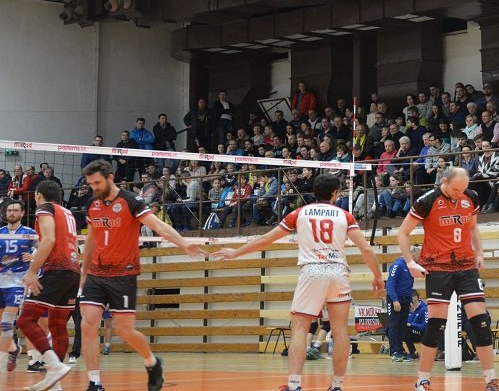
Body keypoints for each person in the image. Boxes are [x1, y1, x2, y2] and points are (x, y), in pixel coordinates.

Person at [212, 173, 384, 391]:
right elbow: (366, 248)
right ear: (335, 193)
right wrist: (378, 277)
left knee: (300, 329)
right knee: (340, 331)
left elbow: (266, 239)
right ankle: (337, 385)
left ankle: (294, 385)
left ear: (314, 192)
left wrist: (236, 253)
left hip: (312, 271)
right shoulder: (345, 216)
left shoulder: (299, 213)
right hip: (338, 271)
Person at [79, 159, 205, 391]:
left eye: (97, 182)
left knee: (125, 331)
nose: (93, 187)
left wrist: (184, 244)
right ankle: (95, 382)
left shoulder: (131, 201)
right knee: (88, 325)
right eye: (90, 183)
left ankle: (152, 362)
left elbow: (158, 225)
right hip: (97, 273)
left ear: (110, 178)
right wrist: (83, 272)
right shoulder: (93, 204)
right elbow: (91, 239)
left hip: (123, 273)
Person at [396, 167, 499, 391]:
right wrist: (410, 262)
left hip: (466, 267)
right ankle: (422, 380)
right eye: (455, 189)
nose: (458, 193)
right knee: (435, 326)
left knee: (481, 323)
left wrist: (479, 253)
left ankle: (491, 380)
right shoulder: (427, 201)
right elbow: (402, 233)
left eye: (463, 189)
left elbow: (473, 228)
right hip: (438, 268)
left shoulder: (470, 198)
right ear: (444, 181)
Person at [14, 181, 80, 391]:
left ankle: (53, 366)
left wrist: (33, 270)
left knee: (26, 320)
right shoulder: (68, 212)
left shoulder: (45, 208)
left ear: (39, 195)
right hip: (73, 270)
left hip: (57, 269)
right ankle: (55, 383)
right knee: (58, 326)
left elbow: (49, 239)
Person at [0, 199, 37, 372]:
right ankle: (14, 350)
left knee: (7, 323)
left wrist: (34, 257)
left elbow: (45, 249)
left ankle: (3, 358)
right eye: (9, 211)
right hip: (1, 281)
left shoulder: (30, 233)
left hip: (17, 282)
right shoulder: (0, 232)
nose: (12, 213)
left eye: (15, 210)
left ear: (22, 213)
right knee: (1, 325)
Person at [387, 247, 418, 362]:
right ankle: (394, 352)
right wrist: (395, 300)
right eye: (417, 257)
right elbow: (390, 284)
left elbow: (409, 285)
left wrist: (410, 300)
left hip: (405, 300)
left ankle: (400, 350)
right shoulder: (398, 265)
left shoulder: (410, 267)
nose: (417, 260)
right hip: (395, 300)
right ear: (411, 254)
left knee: (402, 326)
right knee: (394, 325)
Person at [404, 290, 428, 358]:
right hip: (411, 332)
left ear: (415, 298)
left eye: (408, 298)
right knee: (390, 330)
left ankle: (413, 352)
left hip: (421, 334)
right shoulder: (408, 309)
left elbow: (425, 327)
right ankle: (401, 352)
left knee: (406, 330)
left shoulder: (424, 309)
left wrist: (411, 325)